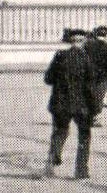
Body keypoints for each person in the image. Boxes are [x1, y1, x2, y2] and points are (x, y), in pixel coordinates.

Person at [43, 29, 103, 180]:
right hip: (81, 105)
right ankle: (81, 170)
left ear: (70, 42)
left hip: (60, 103)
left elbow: (48, 79)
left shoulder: (59, 57)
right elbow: (91, 87)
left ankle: (51, 162)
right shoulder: (86, 60)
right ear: (83, 42)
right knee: (84, 135)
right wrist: (95, 108)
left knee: (60, 132)